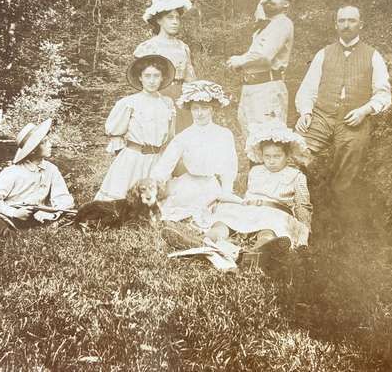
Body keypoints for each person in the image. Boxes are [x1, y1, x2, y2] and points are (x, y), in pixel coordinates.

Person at [294, 5, 392, 213]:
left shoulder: (373, 55)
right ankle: (298, 205)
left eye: (351, 20)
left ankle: (337, 214)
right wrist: (306, 112)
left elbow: (383, 94)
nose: (346, 25)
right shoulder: (323, 54)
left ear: (360, 24)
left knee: (348, 167)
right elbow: (308, 89)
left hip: (353, 118)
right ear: (336, 25)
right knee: (296, 152)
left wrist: (364, 111)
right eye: (342, 21)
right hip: (321, 116)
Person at [205, 120, 312, 268]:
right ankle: (208, 240)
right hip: (251, 209)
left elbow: (303, 205)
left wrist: (304, 231)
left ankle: (258, 251)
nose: (271, 161)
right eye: (267, 156)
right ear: (261, 155)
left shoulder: (296, 176)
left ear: (287, 155)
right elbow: (249, 195)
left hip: (275, 212)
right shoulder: (256, 172)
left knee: (268, 229)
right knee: (224, 221)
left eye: (277, 156)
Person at [150, 80, 237, 230]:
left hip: (211, 184)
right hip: (188, 185)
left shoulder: (224, 134)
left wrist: (227, 191)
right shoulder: (184, 136)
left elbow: (229, 166)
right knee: (177, 212)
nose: (199, 113)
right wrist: (156, 183)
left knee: (219, 216)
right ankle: (180, 227)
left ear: (213, 109)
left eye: (204, 108)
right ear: (190, 110)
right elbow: (166, 164)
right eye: (195, 108)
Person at [0, 118, 74, 238]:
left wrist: (51, 214)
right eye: (44, 142)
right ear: (33, 150)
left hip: (39, 216)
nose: (50, 145)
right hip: (12, 217)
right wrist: (14, 212)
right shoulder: (12, 172)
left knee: (72, 219)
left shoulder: (51, 170)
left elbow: (63, 198)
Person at [94, 54, 177, 202]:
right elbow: (115, 132)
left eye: (156, 76)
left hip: (157, 161)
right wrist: (122, 156)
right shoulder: (129, 102)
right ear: (140, 77)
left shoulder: (167, 103)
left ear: (162, 78)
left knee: (157, 203)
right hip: (133, 160)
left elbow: (171, 135)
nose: (152, 81)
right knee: (123, 201)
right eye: (147, 76)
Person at [227, 0, 294, 138]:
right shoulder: (264, 26)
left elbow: (264, 55)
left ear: (286, 4)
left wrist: (240, 60)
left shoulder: (282, 23)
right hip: (251, 88)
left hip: (267, 89)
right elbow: (256, 54)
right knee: (251, 141)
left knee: (269, 140)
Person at [135, 0, 196, 133]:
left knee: (183, 136)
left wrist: (194, 98)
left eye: (177, 18)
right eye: (170, 17)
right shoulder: (148, 47)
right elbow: (140, 81)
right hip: (157, 97)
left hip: (182, 97)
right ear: (159, 20)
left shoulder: (183, 47)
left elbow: (191, 78)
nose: (175, 22)